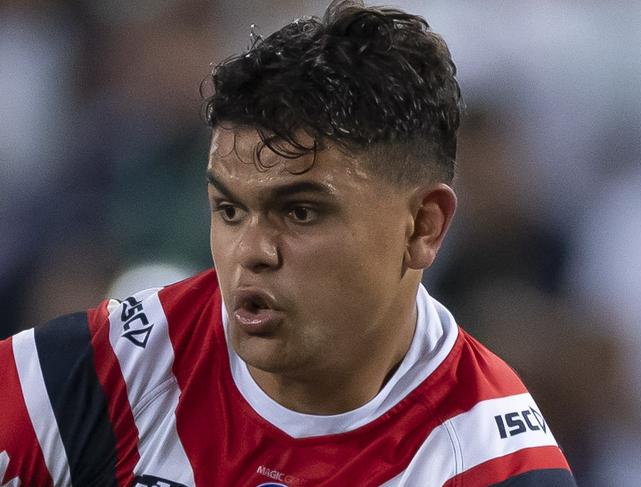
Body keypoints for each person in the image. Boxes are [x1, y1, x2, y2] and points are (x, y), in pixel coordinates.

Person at [0, 1, 576, 485]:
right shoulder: (116, 371)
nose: (250, 252)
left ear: (423, 227)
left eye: (300, 213)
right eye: (229, 209)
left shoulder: (491, 464)